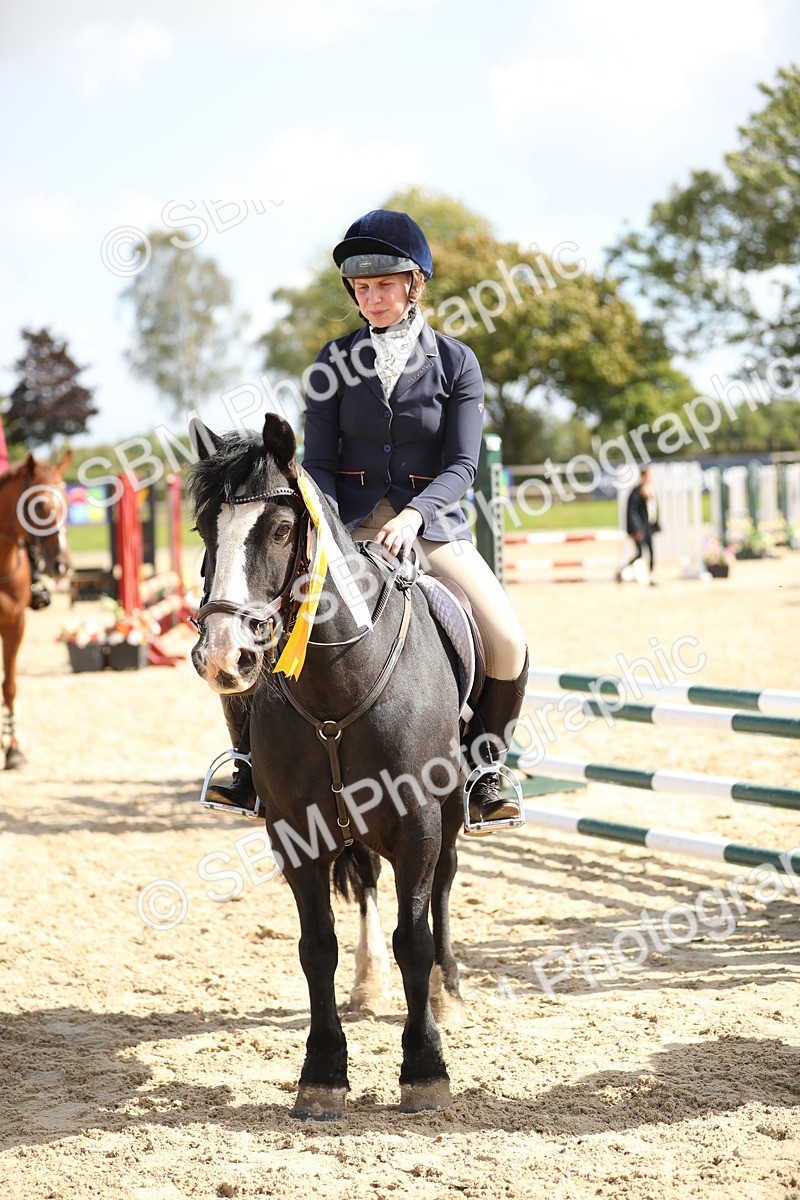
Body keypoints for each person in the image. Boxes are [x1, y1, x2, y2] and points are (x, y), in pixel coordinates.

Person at [205, 209, 529, 832]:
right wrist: (326, 529)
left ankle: (487, 769)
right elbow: (318, 462)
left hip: (430, 526)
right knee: (262, 622)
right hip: (343, 531)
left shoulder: (457, 364)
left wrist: (413, 516)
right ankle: (246, 763)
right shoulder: (334, 361)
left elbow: (462, 464)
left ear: (414, 284)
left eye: (384, 285)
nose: (372, 298)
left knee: (507, 638)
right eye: (362, 288)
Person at [620, 466, 660, 584]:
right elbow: (632, 512)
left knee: (651, 551)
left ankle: (652, 576)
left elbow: (653, 509)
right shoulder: (636, 492)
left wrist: (657, 523)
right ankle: (623, 569)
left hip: (649, 526)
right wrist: (636, 529)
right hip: (640, 528)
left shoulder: (650, 490)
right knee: (639, 553)